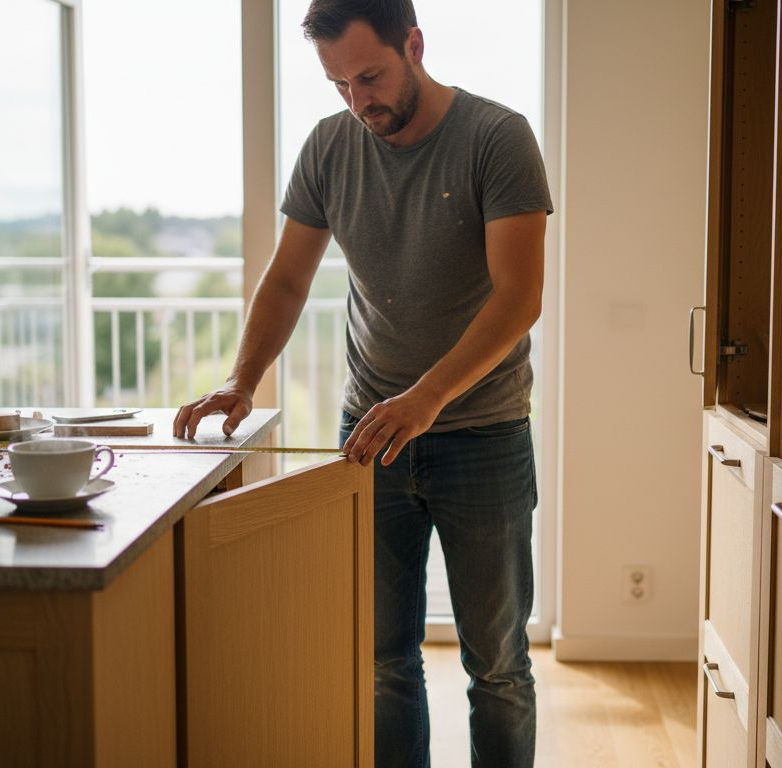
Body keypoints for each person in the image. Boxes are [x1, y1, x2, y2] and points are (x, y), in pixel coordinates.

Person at [173, 0, 551, 764]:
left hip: (483, 435)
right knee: (383, 662)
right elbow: (287, 279)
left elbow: (519, 299)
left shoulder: (496, 137)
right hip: (372, 437)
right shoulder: (330, 146)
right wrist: (242, 380)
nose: (358, 101)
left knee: (498, 668)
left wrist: (427, 398)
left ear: (414, 44)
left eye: (370, 77)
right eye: (338, 85)